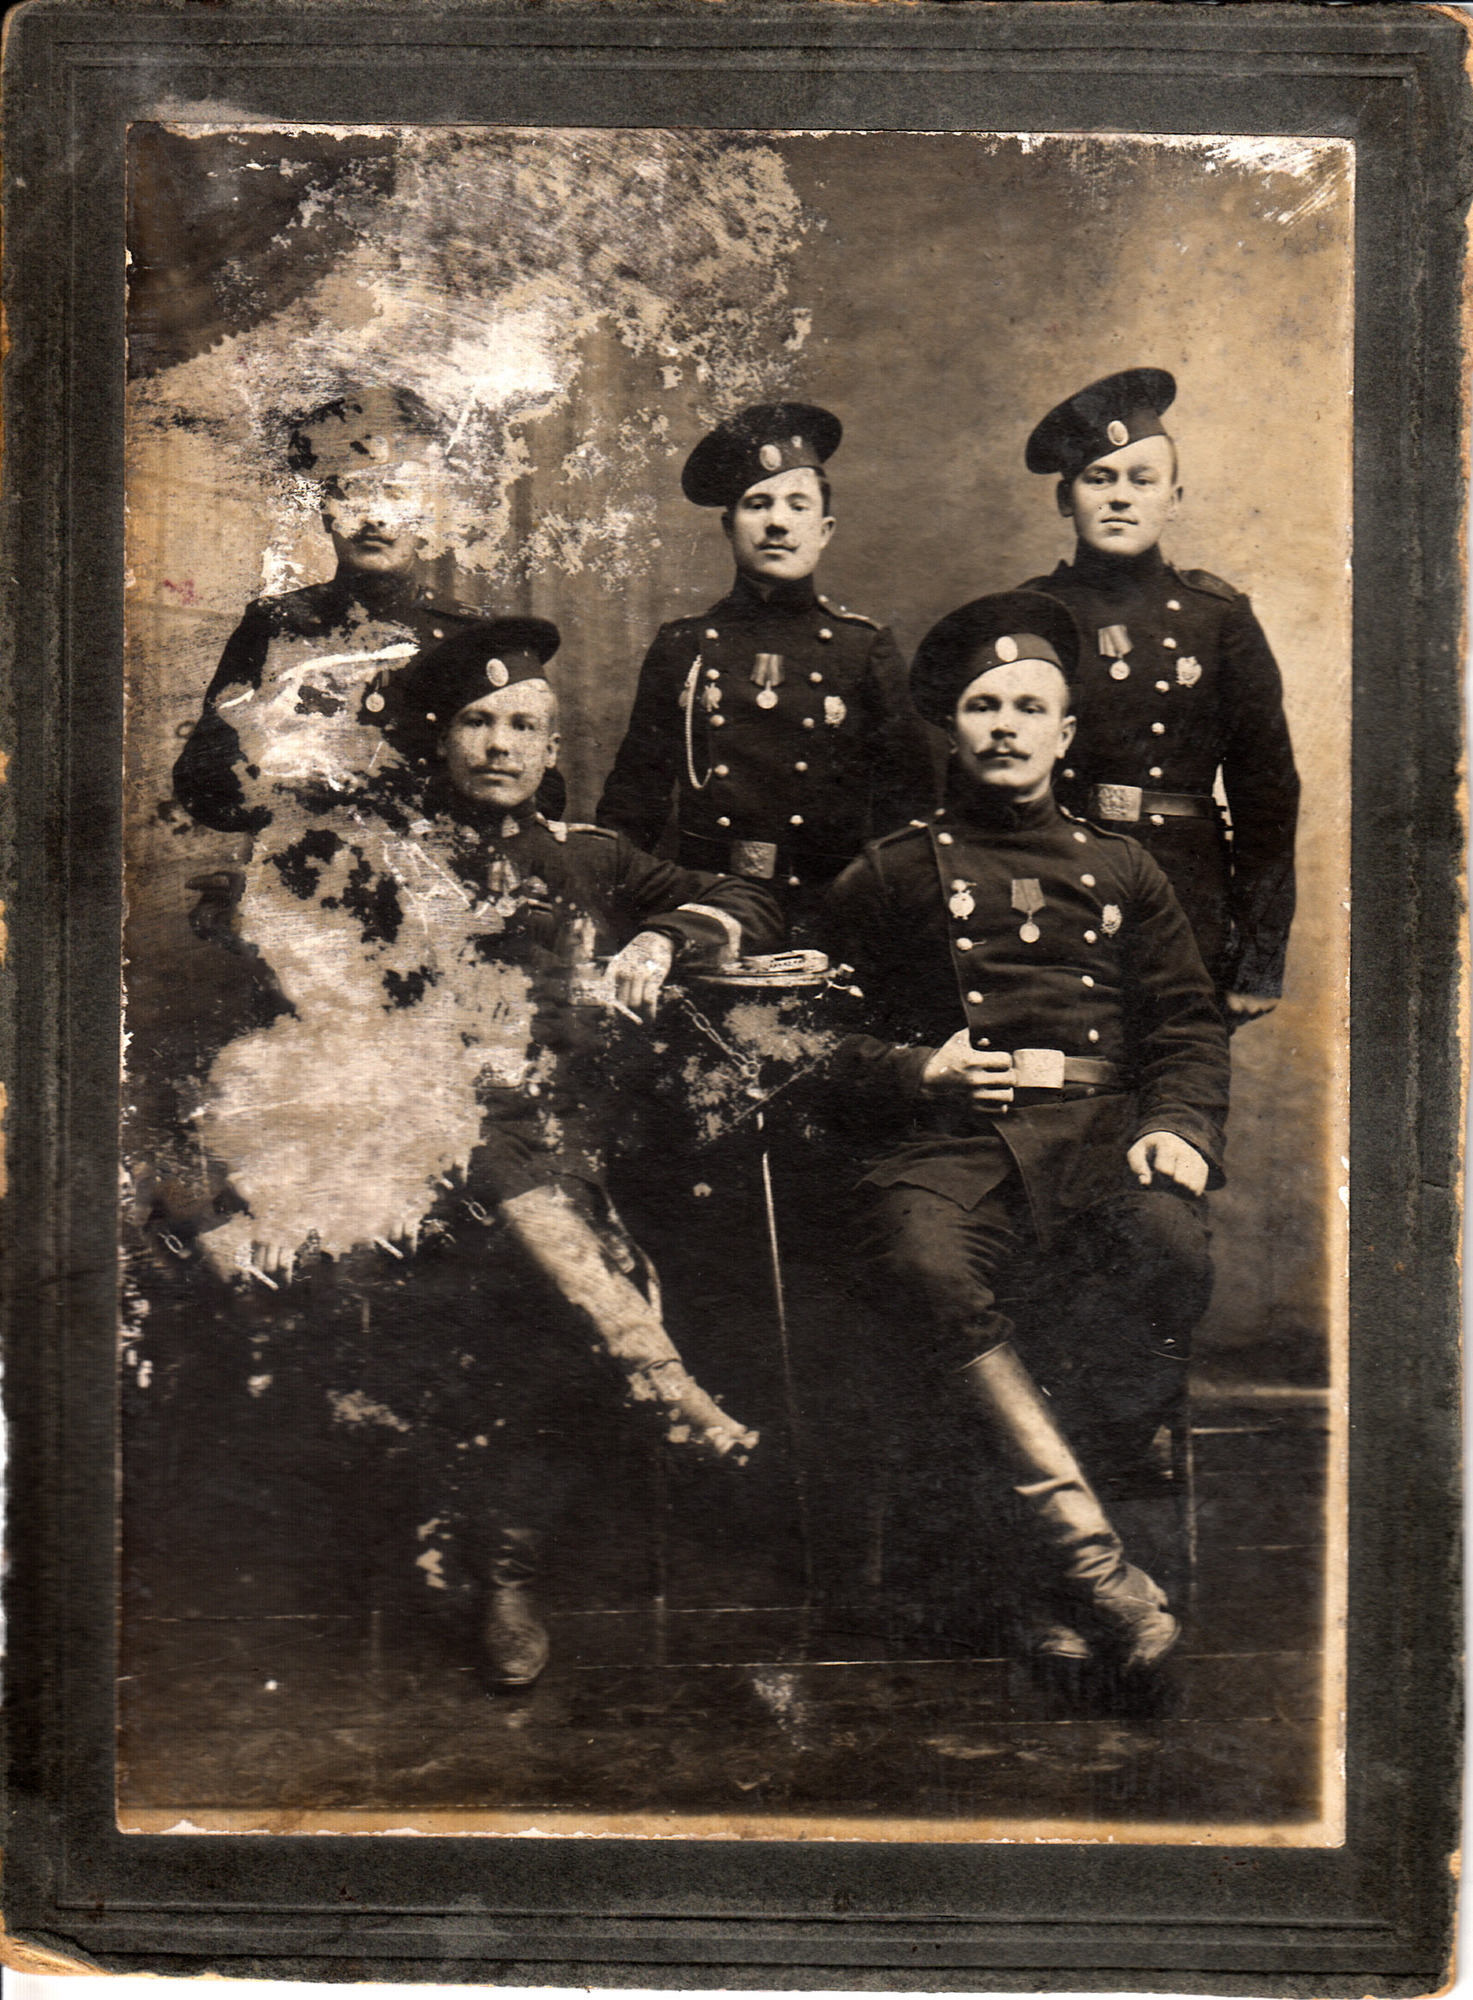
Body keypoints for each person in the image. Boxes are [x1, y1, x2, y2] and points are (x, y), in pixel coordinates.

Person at [189, 616, 782, 1689]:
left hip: (557, 1158)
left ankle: (509, 1567)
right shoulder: (374, 858)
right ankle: (656, 1389)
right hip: (402, 1158)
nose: (500, 744)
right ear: (441, 739)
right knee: (488, 1180)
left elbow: (746, 896)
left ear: (552, 748)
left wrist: (661, 937)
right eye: (476, 722)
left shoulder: (591, 857)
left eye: (522, 726)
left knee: (532, 1265)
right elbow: (299, 1011)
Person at [821, 590, 1230, 1676]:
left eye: (1028, 707)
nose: (1004, 726)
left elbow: (1186, 1024)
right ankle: (1098, 1571)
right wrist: (917, 1067)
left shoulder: (1126, 868)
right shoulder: (891, 870)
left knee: (1166, 1244)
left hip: (1098, 1138)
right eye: (983, 706)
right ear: (953, 729)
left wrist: (1179, 1126)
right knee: (923, 1262)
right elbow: (804, 1041)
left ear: (1066, 732)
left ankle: (1036, 1571)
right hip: (948, 1147)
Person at [1018, 368, 1299, 1019]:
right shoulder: (1028, 613)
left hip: (1186, 901)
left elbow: (1266, 791)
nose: (1120, 497)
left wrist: (1258, 960)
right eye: (1098, 478)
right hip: (1053, 893)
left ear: (1173, 499)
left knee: (1178, 1074)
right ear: (1064, 498)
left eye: (1140, 480)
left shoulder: (1217, 617)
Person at [596, 401, 936, 926]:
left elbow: (908, 811)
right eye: (758, 505)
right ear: (728, 526)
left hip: (832, 912)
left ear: (824, 530)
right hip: (705, 905)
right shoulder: (683, 645)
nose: (777, 522)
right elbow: (635, 799)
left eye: (797, 506)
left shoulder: (864, 649)